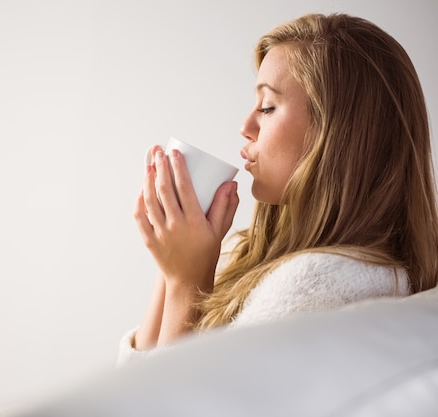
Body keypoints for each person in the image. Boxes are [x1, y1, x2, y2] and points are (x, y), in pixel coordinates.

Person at [118, 12, 438, 364]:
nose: (245, 126)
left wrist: (186, 282)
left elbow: (164, 403)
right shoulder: (265, 258)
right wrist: (172, 266)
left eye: (268, 107)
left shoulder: (319, 286)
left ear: (336, 135)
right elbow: (135, 385)